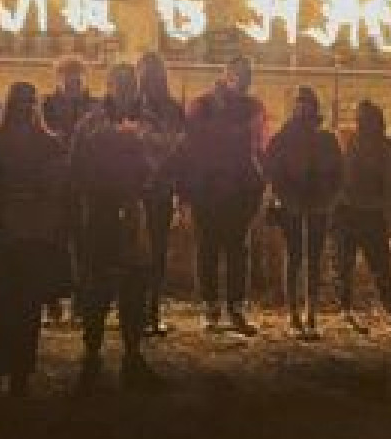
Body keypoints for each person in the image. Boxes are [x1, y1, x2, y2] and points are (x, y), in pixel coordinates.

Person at [68, 63, 165, 391]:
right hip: (100, 210)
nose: (126, 89)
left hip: (134, 209)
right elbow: (76, 165)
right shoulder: (92, 123)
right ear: (109, 85)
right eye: (120, 83)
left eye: (131, 83)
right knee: (97, 286)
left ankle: (133, 357)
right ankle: (92, 357)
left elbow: (160, 161)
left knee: (135, 284)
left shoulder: (148, 123)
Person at [0, 82, 71, 396]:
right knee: (16, 305)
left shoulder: (4, 145)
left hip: (30, 233)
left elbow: (59, 191)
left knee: (23, 306)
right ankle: (6, 369)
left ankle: (13, 371)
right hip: (15, 233)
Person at [183, 55, 268, 336]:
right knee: (208, 248)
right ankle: (210, 307)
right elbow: (195, 144)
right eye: (240, 74)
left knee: (236, 250)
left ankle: (234, 306)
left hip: (239, 190)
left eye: (248, 75)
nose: (245, 80)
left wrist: (258, 182)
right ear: (227, 74)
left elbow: (258, 145)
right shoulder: (203, 104)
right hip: (208, 189)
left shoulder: (252, 106)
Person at [264, 86, 341, 338]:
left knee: (312, 258)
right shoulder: (284, 138)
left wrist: (330, 197)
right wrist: (283, 194)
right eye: (301, 104)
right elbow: (271, 168)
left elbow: (337, 172)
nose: (304, 108)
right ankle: (294, 312)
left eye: (308, 104)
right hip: (293, 202)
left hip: (317, 203)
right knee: (296, 255)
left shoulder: (325, 140)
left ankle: (310, 311)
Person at [335, 99, 391, 334]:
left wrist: (389, 211)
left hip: (370, 212)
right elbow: (337, 173)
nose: (363, 123)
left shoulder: (383, 147)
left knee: (380, 265)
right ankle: (346, 308)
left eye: (366, 118)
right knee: (345, 264)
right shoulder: (348, 141)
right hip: (349, 212)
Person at [38, 55, 94, 326]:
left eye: (77, 75)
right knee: (53, 244)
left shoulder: (93, 107)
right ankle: (53, 301)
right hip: (56, 185)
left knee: (84, 245)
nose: (73, 81)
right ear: (58, 78)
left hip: (83, 184)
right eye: (68, 75)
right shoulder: (46, 105)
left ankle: (80, 302)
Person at [135, 51, 185, 337]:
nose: (149, 80)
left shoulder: (173, 110)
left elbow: (181, 151)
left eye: (154, 75)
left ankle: (152, 311)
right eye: (146, 74)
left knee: (157, 252)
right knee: (138, 253)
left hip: (160, 190)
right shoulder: (130, 108)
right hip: (136, 190)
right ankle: (139, 310)